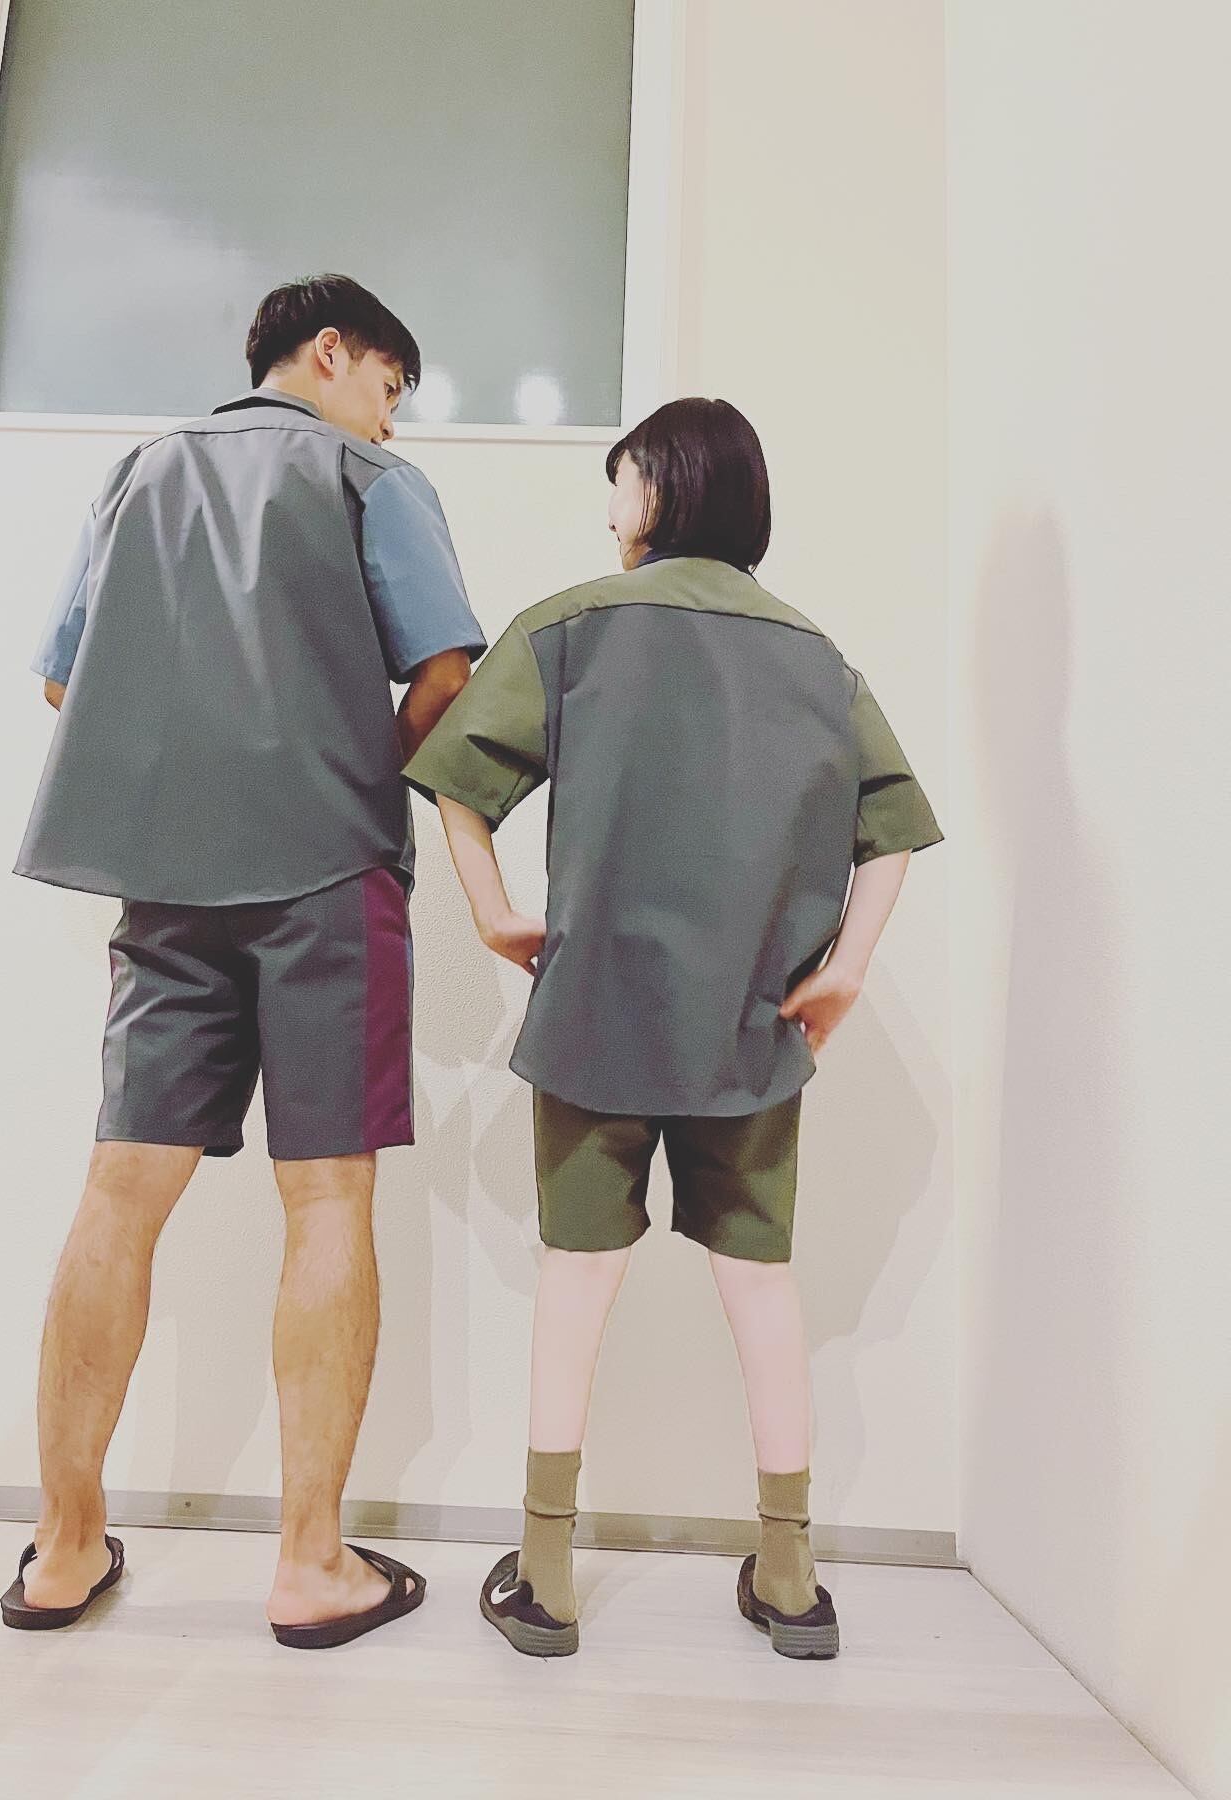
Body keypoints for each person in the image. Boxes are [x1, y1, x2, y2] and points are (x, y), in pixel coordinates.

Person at [403, 397, 943, 1659]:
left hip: (596, 1019)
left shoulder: (572, 626)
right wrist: (847, 970)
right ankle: (792, 1579)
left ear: (659, 488)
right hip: (751, 1032)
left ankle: (546, 1576)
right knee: (762, 1287)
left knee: (575, 1281)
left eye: (620, 482)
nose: (609, 511)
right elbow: (895, 829)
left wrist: (492, 913)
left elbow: (455, 778)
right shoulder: (817, 657)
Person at [1, 275, 485, 1649]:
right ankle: (311, 1565)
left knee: (118, 1197)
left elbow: (65, 680)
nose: (388, 421)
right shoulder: (368, 481)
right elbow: (449, 672)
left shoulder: (139, 475)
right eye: (386, 389)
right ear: (331, 353)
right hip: (330, 881)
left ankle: (64, 1549)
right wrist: (350, 772)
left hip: (166, 888)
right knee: (327, 1200)